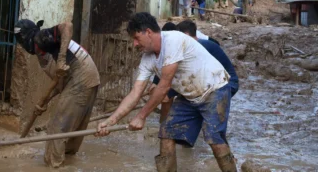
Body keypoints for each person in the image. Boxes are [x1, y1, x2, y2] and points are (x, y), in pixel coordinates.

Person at [96, 12, 237, 172]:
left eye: (136, 38)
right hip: (189, 96)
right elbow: (135, 92)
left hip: (215, 89)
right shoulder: (147, 59)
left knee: (214, 139)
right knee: (166, 133)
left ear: (148, 32)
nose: (134, 44)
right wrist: (110, 121)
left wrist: (141, 117)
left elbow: (164, 86)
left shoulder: (173, 40)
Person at [14, 19, 100, 168]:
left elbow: (67, 25)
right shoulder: (45, 50)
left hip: (80, 74)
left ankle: (54, 165)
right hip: (88, 75)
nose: (21, 45)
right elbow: (60, 83)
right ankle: (68, 161)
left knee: (56, 126)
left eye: (20, 41)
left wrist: (60, 59)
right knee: (74, 125)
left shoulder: (40, 37)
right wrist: (44, 102)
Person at [177, 20, 239, 97]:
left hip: (227, 83)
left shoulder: (201, 46)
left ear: (185, 35)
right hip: (217, 81)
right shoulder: (199, 44)